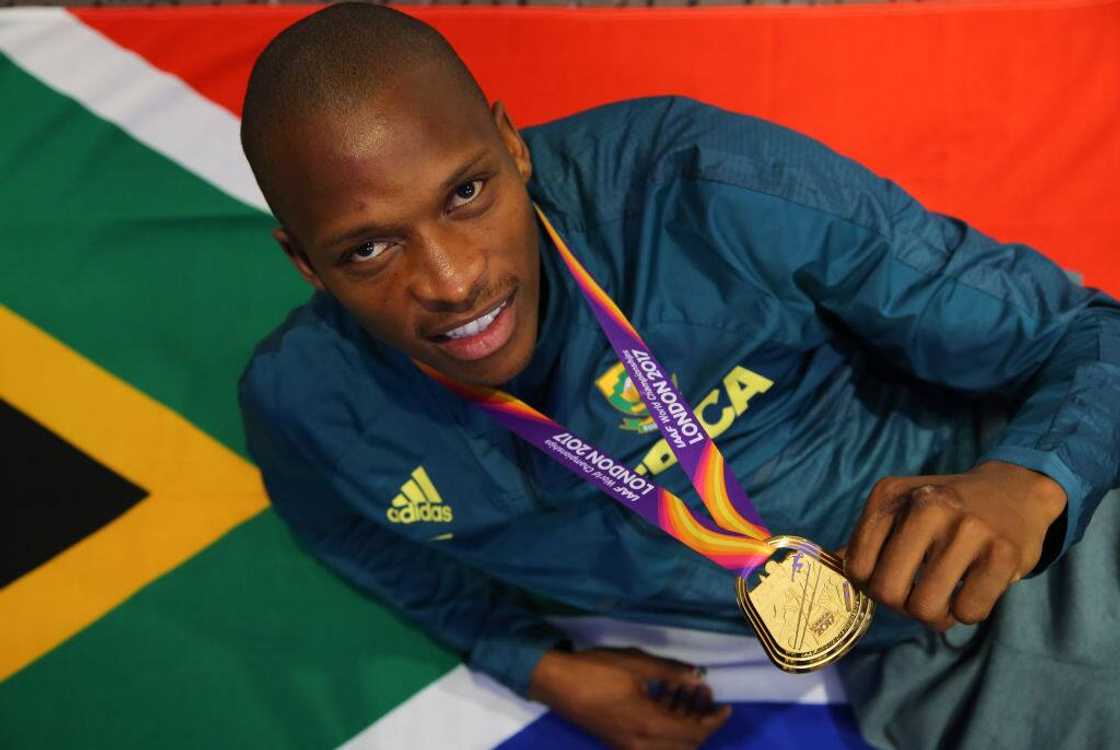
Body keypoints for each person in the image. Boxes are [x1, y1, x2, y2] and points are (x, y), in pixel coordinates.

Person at [237, 4, 1120, 748]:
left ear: (511, 146)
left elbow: (1090, 335)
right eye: (368, 248)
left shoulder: (700, 187)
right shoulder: (307, 407)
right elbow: (357, 539)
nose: (452, 280)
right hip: (913, 680)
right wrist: (540, 666)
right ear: (305, 264)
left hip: (1051, 536)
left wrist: (1026, 483)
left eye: (466, 195)